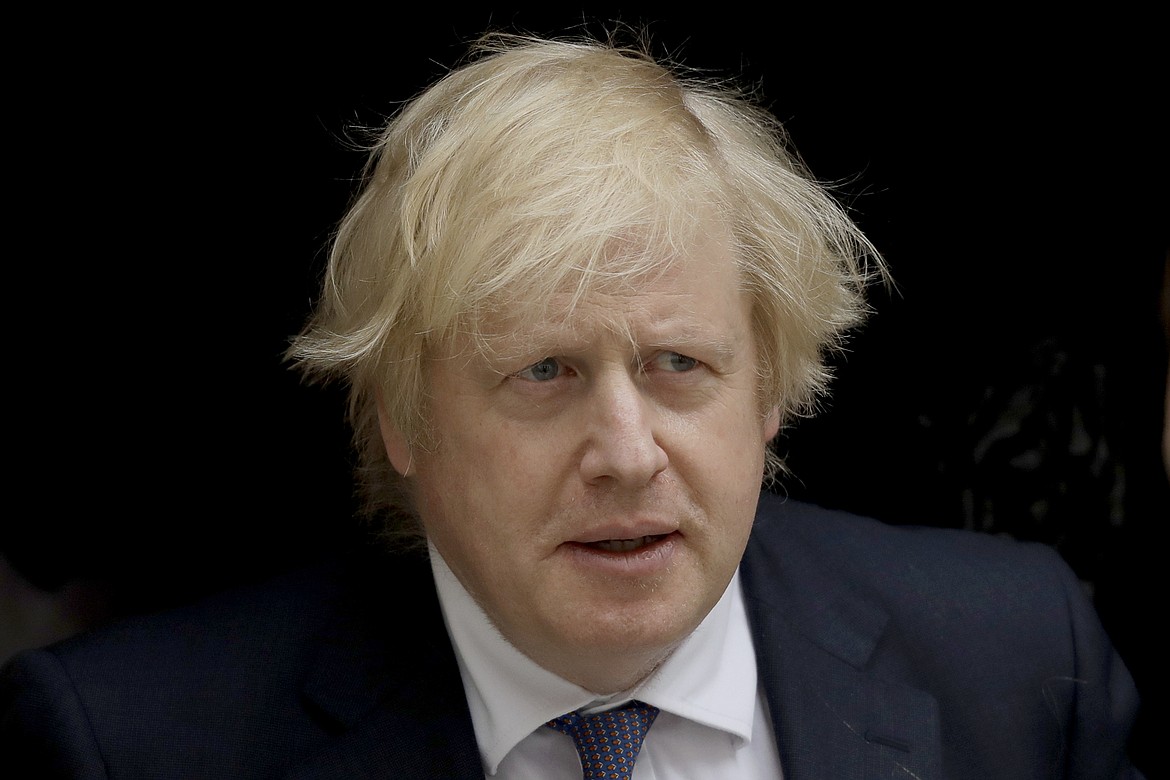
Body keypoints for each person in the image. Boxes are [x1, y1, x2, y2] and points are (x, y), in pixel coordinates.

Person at [0, 32, 1144, 779]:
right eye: (543, 373)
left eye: (678, 366)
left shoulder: (1019, 664)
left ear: (772, 394)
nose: (626, 452)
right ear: (403, 418)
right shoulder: (127, 745)